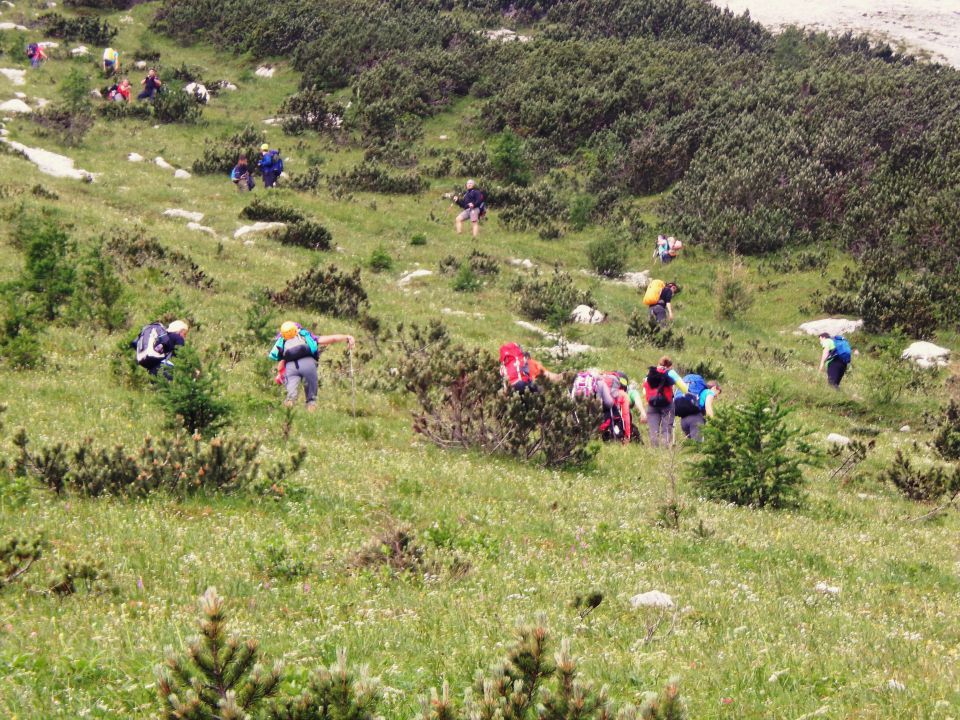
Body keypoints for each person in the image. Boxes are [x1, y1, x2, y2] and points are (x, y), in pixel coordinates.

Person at [268, 321, 354, 411]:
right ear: (297, 329)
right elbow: (332, 339)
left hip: (291, 367)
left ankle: (287, 416)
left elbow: (281, 364)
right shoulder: (305, 336)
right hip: (308, 364)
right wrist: (346, 337)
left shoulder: (283, 342)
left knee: (290, 395)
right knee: (311, 396)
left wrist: (280, 374)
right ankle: (311, 408)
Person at [643, 356, 688, 448]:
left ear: (658, 363)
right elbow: (684, 388)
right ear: (670, 366)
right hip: (667, 404)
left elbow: (644, 391)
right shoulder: (671, 373)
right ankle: (665, 448)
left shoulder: (651, 372)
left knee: (653, 429)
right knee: (666, 428)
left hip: (652, 404)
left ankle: (654, 449)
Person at [675, 375, 721, 442]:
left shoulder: (698, 393)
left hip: (683, 421)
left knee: (691, 449)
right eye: (717, 393)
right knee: (698, 447)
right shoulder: (709, 392)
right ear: (714, 388)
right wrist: (713, 423)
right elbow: (708, 407)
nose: (716, 396)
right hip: (696, 421)